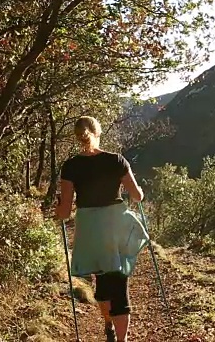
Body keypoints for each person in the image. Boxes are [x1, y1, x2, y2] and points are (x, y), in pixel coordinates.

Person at [55, 116, 147, 342]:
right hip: (114, 225)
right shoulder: (116, 160)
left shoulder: (70, 166)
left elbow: (65, 212)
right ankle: (121, 339)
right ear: (98, 132)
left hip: (90, 228)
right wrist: (140, 192)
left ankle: (108, 324)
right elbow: (136, 196)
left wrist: (57, 211)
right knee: (118, 282)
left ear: (78, 137)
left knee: (102, 280)